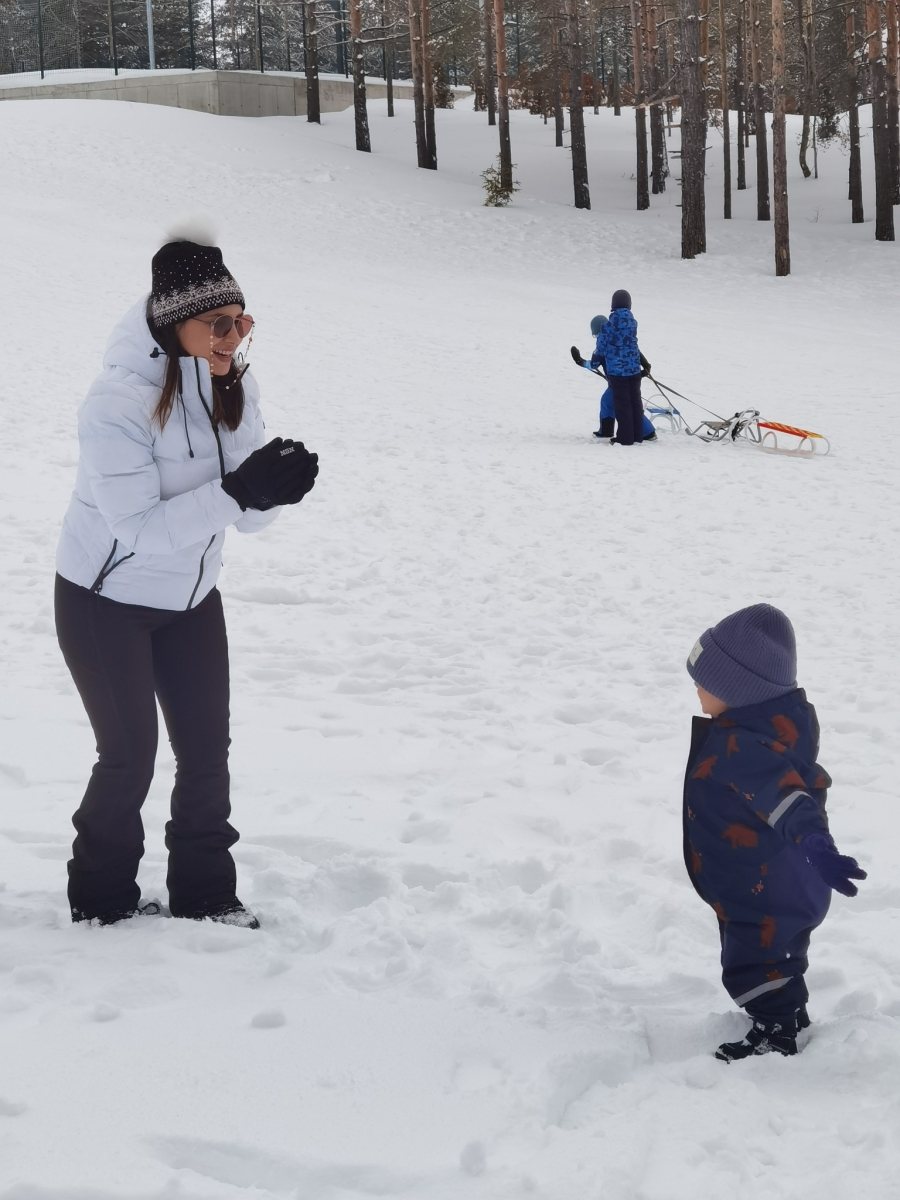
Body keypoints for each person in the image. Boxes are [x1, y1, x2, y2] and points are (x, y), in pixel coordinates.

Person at [54, 230, 319, 928]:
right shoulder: (115, 402)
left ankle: (205, 893)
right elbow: (135, 527)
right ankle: (102, 899)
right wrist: (239, 492)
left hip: (192, 599)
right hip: (104, 601)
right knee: (129, 755)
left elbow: (245, 521)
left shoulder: (228, 380)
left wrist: (272, 491)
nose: (237, 336)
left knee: (206, 752)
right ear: (177, 323)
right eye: (221, 324)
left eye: (244, 321)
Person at [683, 604, 866, 1061]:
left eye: (704, 683)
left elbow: (787, 799)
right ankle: (790, 1013)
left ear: (739, 691)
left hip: (764, 885)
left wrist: (816, 844)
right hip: (782, 876)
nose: (696, 690)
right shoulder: (770, 728)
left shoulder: (744, 747)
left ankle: (776, 1032)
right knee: (777, 955)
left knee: (750, 963)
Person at [571, 289, 647, 446]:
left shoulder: (607, 327)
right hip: (634, 370)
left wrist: (582, 361)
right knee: (635, 403)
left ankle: (625, 439)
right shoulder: (633, 324)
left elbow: (600, 351)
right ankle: (637, 436)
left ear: (613, 305)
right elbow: (633, 345)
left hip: (618, 373)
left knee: (623, 405)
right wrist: (644, 364)